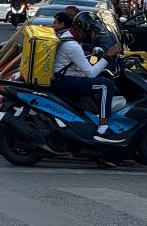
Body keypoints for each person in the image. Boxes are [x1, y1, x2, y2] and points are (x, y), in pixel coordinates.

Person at [49, 12, 118, 143]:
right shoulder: (73, 46)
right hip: (64, 82)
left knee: (100, 80)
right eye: (93, 31)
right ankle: (102, 129)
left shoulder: (69, 37)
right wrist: (108, 56)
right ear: (85, 30)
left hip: (64, 78)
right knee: (105, 85)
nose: (95, 35)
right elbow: (90, 73)